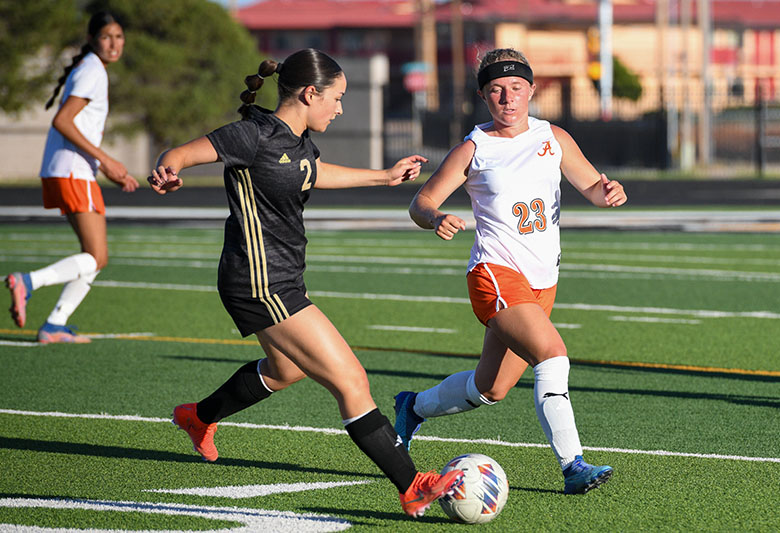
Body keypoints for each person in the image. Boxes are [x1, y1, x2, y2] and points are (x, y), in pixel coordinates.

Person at [147, 48, 463, 518]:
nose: (339, 108)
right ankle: (412, 484)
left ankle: (199, 417)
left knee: (285, 370)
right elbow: (182, 153)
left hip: (283, 276)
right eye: (336, 98)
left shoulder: (298, 142)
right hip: (258, 280)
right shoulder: (250, 133)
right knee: (351, 380)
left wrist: (384, 177)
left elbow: (312, 173)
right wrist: (168, 170)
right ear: (310, 93)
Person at [393, 48, 627, 495]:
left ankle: (414, 408)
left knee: (491, 389)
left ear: (531, 90)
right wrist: (435, 218)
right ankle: (573, 464)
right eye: (497, 90)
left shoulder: (553, 136)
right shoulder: (473, 148)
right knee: (553, 354)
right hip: (495, 272)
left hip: (543, 281)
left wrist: (609, 190)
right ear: (484, 96)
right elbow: (420, 202)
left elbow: (594, 188)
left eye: (517, 88)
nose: (508, 97)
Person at [5, 11, 138, 343]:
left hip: (67, 171)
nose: (114, 43)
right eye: (107, 36)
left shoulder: (90, 69)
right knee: (98, 256)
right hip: (72, 172)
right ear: (93, 39)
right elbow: (63, 121)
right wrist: (106, 160)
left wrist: (103, 166)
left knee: (91, 256)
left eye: (119, 37)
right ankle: (28, 282)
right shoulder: (93, 70)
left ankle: (54, 326)